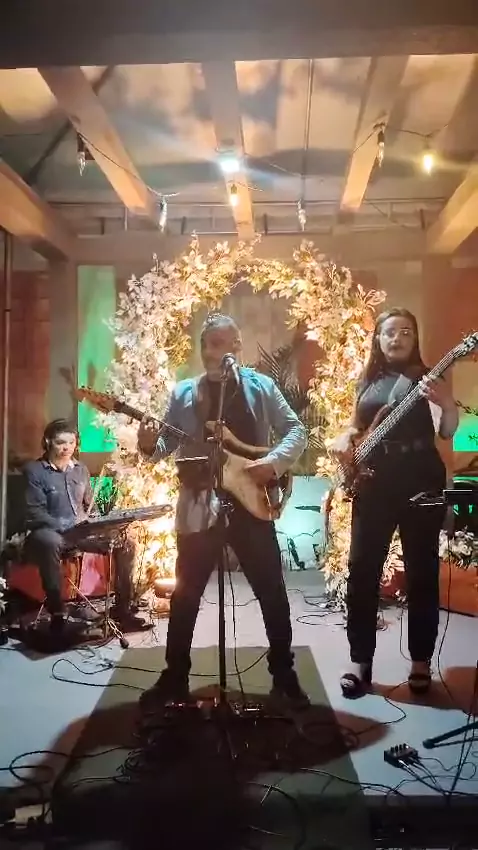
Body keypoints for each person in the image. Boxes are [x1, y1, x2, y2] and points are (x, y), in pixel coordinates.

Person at [137, 313, 309, 709]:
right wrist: (148, 443)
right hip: (200, 503)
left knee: (271, 591)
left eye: (224, 344)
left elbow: (296, 430)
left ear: (238, 347)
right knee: (185, 595)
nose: (216, 352)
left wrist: (274, 464)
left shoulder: (261, 387)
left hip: (251, 501)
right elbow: (164, 447)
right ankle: (175, 676)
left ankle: (284, 674)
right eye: (209, 344)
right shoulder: (184, 393)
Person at [331, 308, 459, 698]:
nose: (397, 338)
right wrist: (345, 437)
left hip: (421, 482)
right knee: (361, 571)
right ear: (378, 339)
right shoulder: (368, 380)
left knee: (422, 575)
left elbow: (447, 431)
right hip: (374, 484)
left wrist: (448, 404)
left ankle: (420, 662)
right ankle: (360, 661)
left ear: (414, 338)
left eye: (405, 331)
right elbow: (358, 425)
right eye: (389, 332)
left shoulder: (428, 378)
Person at [23, 418, 150, 634]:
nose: (67, 448)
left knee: (126, 540)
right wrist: (66, 525)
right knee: (49, 541)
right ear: (48, 442)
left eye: (71, 443)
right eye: (60, 443)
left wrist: (102, 522)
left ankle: (123, 609)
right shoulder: (35, 471)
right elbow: (35, 512)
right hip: (50, 531)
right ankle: (57, 612)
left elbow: (89, 506)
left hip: (81, 531)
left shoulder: (80, 469)